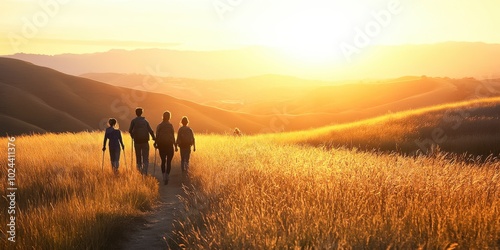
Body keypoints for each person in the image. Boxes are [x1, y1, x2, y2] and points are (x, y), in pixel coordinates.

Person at [129, 107, 156, 175]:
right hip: (145, 141)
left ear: (136, 113)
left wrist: (133, 136)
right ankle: (145, 171)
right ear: (142, 113)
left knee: (138, 157)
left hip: (137, 141)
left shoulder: (133, 121)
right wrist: (154, 138)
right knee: (145, 157)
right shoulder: (145, 121)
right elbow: (150, 131)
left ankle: (139, 172)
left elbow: (130, 130)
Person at [154, 111, 177, 185]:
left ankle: (163, 176)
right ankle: (167, 176)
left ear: (163, 116)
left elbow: (157, 135)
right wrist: (175, 146)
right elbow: (173, 136)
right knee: (169, 161)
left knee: (163, 161)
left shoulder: (160, 125)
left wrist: (156, 143)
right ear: (169, 117)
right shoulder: (170, 126)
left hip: (161, 145)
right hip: (169, 145)